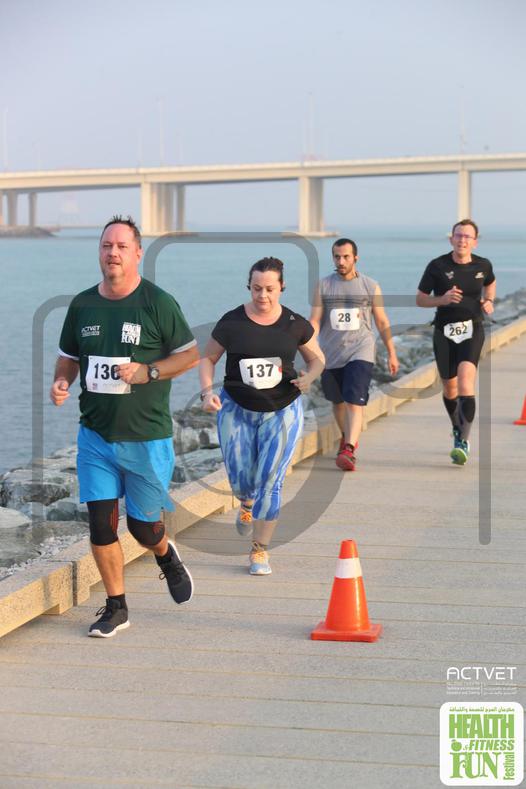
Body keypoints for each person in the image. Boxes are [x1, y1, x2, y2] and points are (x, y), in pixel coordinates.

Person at [50, 215, 199, 637]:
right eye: (106, 246)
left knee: (142, 528)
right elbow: (69, 357)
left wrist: (148, 372)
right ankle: (116, 606)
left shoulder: (157, 302)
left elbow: (189, 356)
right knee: (100, 523)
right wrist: (61, 381)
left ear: (137, 253)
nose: (112, 253)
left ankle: (165, 554)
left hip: (146, 437)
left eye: (120, 246)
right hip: (95, 436)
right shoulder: (82, 305)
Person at [199, 257, 325, 576]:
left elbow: (317, 360)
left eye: (269, 289)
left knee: (271, 480)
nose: (263, 295)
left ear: (281, 287)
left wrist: (310, 378)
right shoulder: (232, 322)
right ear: (249, 287)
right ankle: (245, 501)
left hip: (282, 410)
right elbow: (208, 358)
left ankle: (259, 550)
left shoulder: (294, 324)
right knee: (241, 479)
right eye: (256, 288)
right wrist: (206, 392)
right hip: (236, 409)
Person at [310, 238, 399, 471]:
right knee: (337, 402)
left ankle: (349, 448)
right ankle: (346, 439)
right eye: (337, 257)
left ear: (355, 258)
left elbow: (381, 321)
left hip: (361, 349)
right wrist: (309, 347)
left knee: (353, 400)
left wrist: (392, 352)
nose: (341, 261)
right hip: (331, 353)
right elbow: (315, 320)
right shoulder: (323, 286)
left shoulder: (370, 286)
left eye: (346, 257)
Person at [416, 218, 496, 465]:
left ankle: (463, 441)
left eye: (467, 236)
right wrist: (442, 299)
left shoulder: (483, 265)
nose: (462, 240)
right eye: (458, 236)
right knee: (450, 389)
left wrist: (489, 301)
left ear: (475, 242)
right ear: (451, 239)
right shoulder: (437, 266)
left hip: (472, 329)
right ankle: (457, 427)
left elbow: (490, 283)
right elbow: (420, 299)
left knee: (465, 382)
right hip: (444, 331)